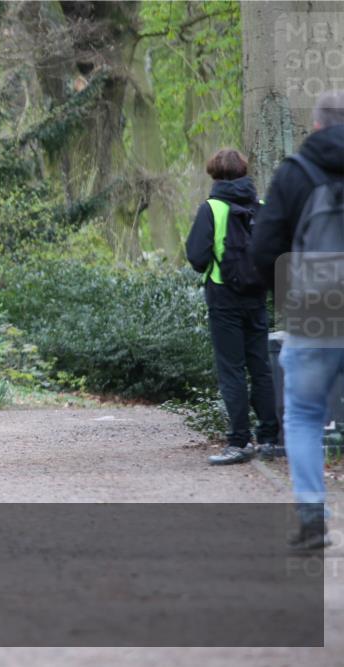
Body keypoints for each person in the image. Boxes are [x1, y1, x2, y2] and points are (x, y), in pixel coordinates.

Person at [250, 90, 344, 550]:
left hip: (315, 309)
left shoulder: (294, 173)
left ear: (318, 125)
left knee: (305, 415)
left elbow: (264, 250)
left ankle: (312, 516)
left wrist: (289, 298)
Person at [185, 149, 280, 465]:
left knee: (232, 371)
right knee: (261, 368)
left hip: (224, 299)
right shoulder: (263, 208)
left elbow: (197, 259)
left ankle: (239, 442)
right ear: (243, 173)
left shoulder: (211, 209)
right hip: (256, 298)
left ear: (214, 175)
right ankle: (269, 438)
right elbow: (275, 255)